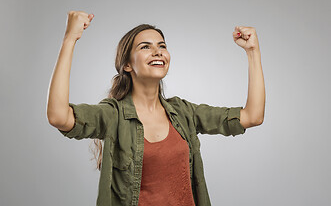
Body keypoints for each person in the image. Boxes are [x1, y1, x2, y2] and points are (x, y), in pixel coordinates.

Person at [47, 10, 265, 206]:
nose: (158, 51)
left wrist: (253, 52)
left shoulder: (183, 112)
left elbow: (252, 116)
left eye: (162, 46)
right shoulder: (113, 115)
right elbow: (59, 116)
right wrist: (70, 39)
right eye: (145, 47)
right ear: (127, 65)